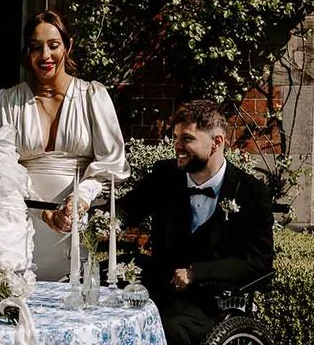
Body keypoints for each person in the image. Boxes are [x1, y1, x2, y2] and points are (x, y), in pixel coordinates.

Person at [117, 100, 274, 345]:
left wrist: (197, 273)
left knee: (168, 327)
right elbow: (126, 211)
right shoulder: (164, 175)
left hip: (212, 303)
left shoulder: (251, 192)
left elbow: (259, 263)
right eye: (176, 137)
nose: (177, 146)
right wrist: (87, 215)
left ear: (217, 143)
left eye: (187, 139)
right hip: (157, 291)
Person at [0, 9, 129, 281]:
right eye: (35, 47)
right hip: (23, 224)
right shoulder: (8, 102)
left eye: (53, 45)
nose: (45, 56)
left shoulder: (92, 96)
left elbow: (111, 164)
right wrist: (42, 212)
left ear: (67, 46)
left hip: (74, 222)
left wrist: (80, 199)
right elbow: (0, 169)